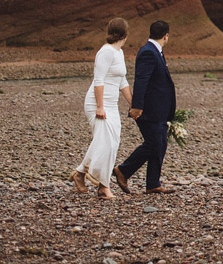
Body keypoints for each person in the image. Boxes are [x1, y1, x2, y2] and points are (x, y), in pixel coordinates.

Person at [71, 18, 132, 200]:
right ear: (125, 34)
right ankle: (104, 187)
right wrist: (100, 107)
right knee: (105, 142)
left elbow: (122, 81)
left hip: (112, 104)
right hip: (97, 103)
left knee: (111, 143)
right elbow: (99, 80)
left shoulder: (119, 53)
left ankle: (81, 173)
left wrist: (133, 104)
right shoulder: (105, 52)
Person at [115, 20, 177, 194]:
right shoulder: (148, 52)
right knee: (153, 144)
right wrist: (136, 107)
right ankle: (123, 170)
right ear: (166, 36)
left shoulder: (156, 51)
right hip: (149, 109)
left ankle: (152, 183)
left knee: (161, 143)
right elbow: (141, 80)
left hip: (159, 109)